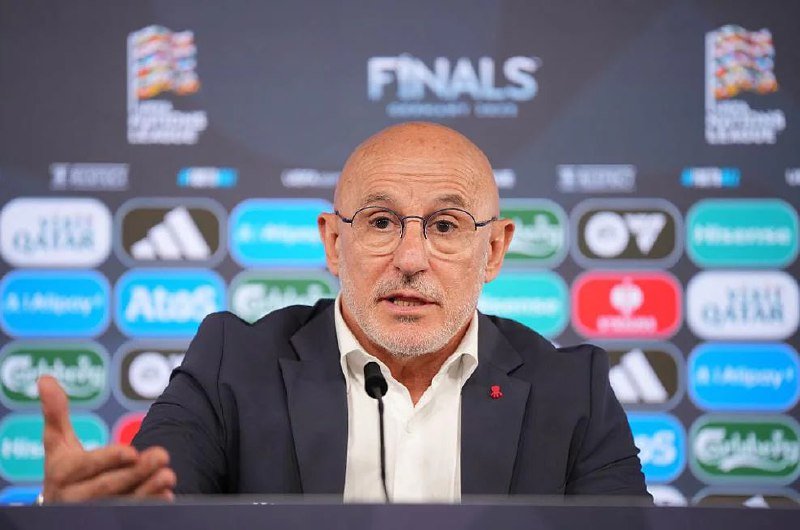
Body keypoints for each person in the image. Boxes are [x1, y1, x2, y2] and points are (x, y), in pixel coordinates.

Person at [37, 122, 648, 503]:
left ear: (492, 250)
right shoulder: (232, 364)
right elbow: (152, 500)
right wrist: (85, 518)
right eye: (380, 222)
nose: (410, 259)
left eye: (445, 226)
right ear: (333, 242)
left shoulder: (574, 389)